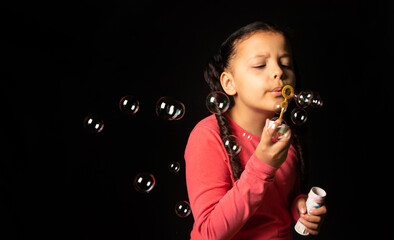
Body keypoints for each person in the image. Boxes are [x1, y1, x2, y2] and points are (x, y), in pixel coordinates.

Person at [184, 21, 327, 240]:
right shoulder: (208, 136)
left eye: (286, 64)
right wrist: (263, 165)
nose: (279, 72)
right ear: (229, 83)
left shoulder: (285, 135)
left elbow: (277, 204)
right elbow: (208, 234)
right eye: (260, 65)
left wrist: (299, 208)